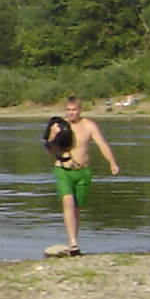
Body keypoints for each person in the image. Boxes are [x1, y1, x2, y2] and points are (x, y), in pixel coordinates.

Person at [41, 97, 120, 254]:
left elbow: (102, 144)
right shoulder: (59, 126)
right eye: (68, 110)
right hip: (63, 170)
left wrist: (112, 163)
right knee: (68, 202)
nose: (71, 113)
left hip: (83, 172)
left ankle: (74, 241)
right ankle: (73, 242)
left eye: (74, 110)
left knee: (77, 209)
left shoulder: (89, 125)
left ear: (80, 110)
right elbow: (49, 151)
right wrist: (53, 136)